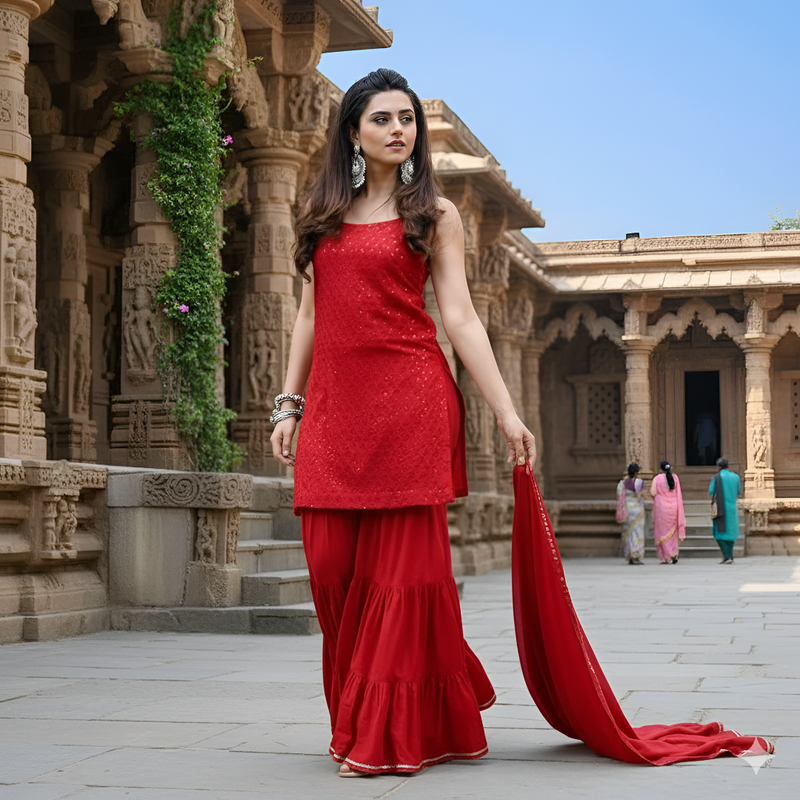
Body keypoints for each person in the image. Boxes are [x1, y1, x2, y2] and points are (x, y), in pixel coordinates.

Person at [270, 68, 536, 778]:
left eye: (407, 119)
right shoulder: (321, 214)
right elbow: (307, 316)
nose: (399, 130)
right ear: (353, 130)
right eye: (383, 118)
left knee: (399, 577)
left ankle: (384, 735)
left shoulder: (434, 215)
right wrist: (288, 404)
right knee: (331, 570)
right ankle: (384, 711)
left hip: (412, 404)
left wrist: (505, 409)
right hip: (332, 411)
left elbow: (461, 318)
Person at [650, 460, 686, 564]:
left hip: (661, 508)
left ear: (660, 469)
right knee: (673, 533)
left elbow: (653, 492)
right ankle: (674, 553)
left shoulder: (657, 479)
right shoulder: (675, 478)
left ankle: (667, 555)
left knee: (661, 532)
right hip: (673, 507)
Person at [709, 457, 740, 564]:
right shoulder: (736, 477)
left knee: (719, 533)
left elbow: (711, 491)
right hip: (732, 508)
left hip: (721, 508)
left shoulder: (717, 477)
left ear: (718, 467)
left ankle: (727, 556)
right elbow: (738, 490)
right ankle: (730, 555)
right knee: (731, 533)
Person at [617, 463, 645, 564]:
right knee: (637, 532)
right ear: (636, 472)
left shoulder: (622, 483)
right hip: (637, 509)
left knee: (628, 532)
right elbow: (639, 496)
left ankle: (629, 555)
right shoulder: (638, 482)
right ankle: (636, 555)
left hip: (627, 509)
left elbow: (619, 495)